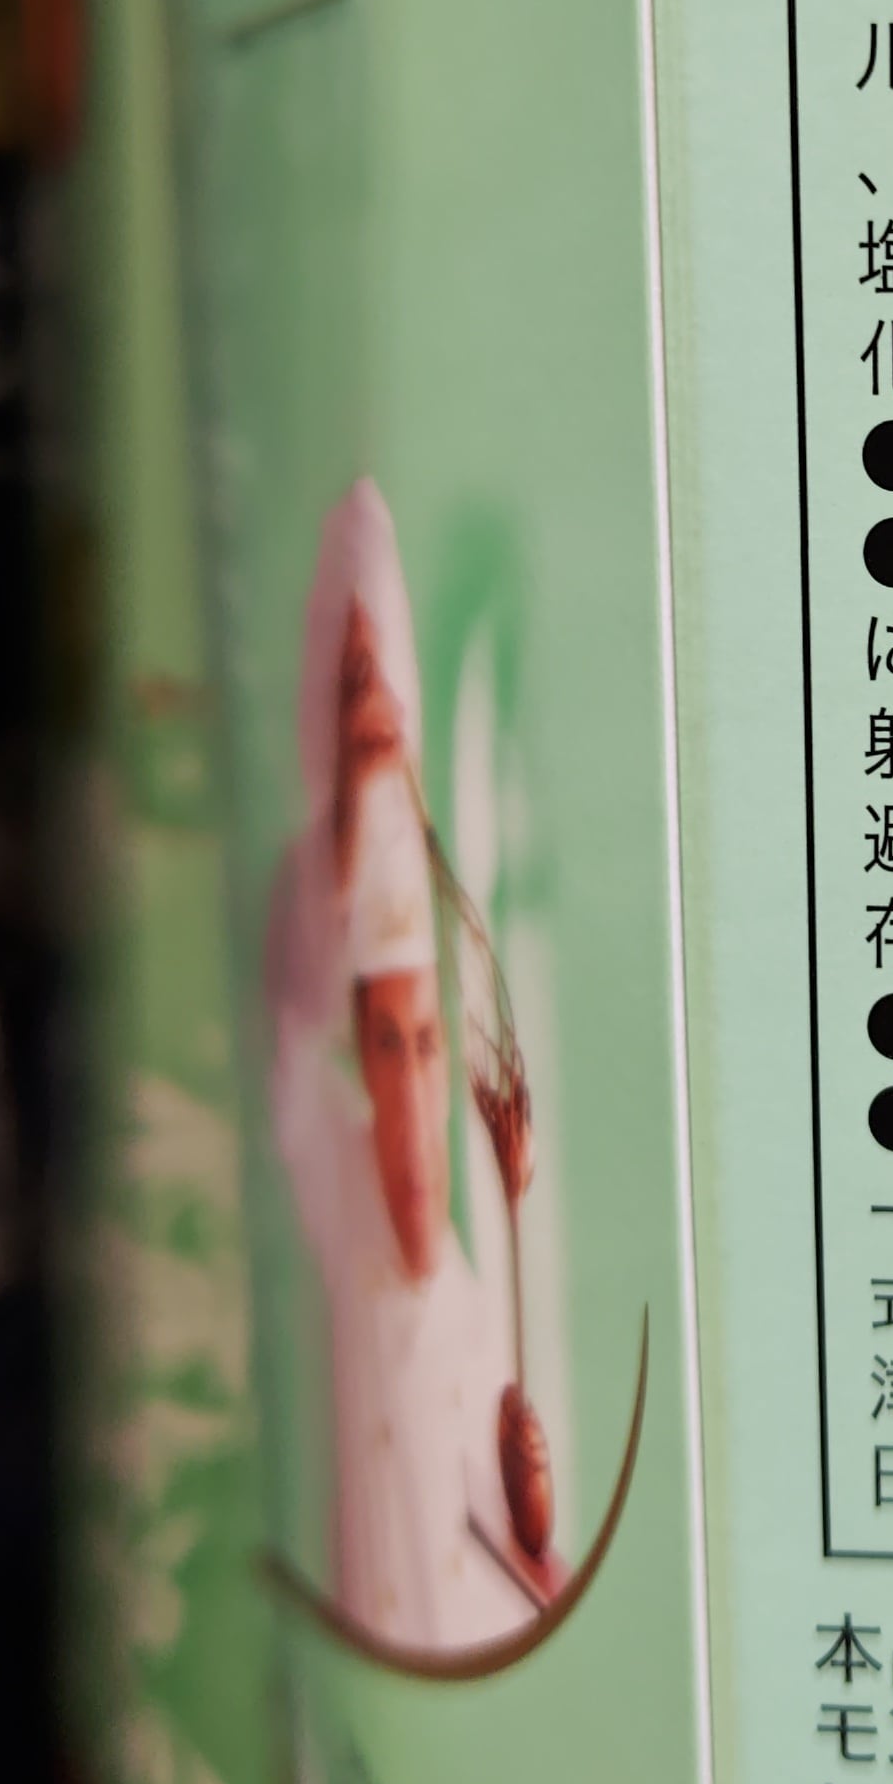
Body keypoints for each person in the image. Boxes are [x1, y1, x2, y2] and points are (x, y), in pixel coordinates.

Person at [266, 481, 529, 1654]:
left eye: (426, 1045)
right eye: (388, 1044)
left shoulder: (481, 1314)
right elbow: (293, 1013)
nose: (413, 1089)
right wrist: (352, 811)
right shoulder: (323, 1159)